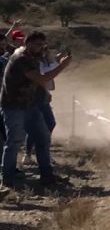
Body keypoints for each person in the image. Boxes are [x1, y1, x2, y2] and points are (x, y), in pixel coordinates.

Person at [1, 31, 72, 190]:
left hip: (29, 106)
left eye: (42, 45)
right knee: (13, 143)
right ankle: (7, 182)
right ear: (27, 43)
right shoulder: (21, 59)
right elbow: (41, 78)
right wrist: (62, 66)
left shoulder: (32, 56)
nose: (40, 48)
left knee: (43, 137)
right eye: (37, 44)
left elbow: (42, 73)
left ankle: (47, 177)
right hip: (14, 106)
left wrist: (56, 59)